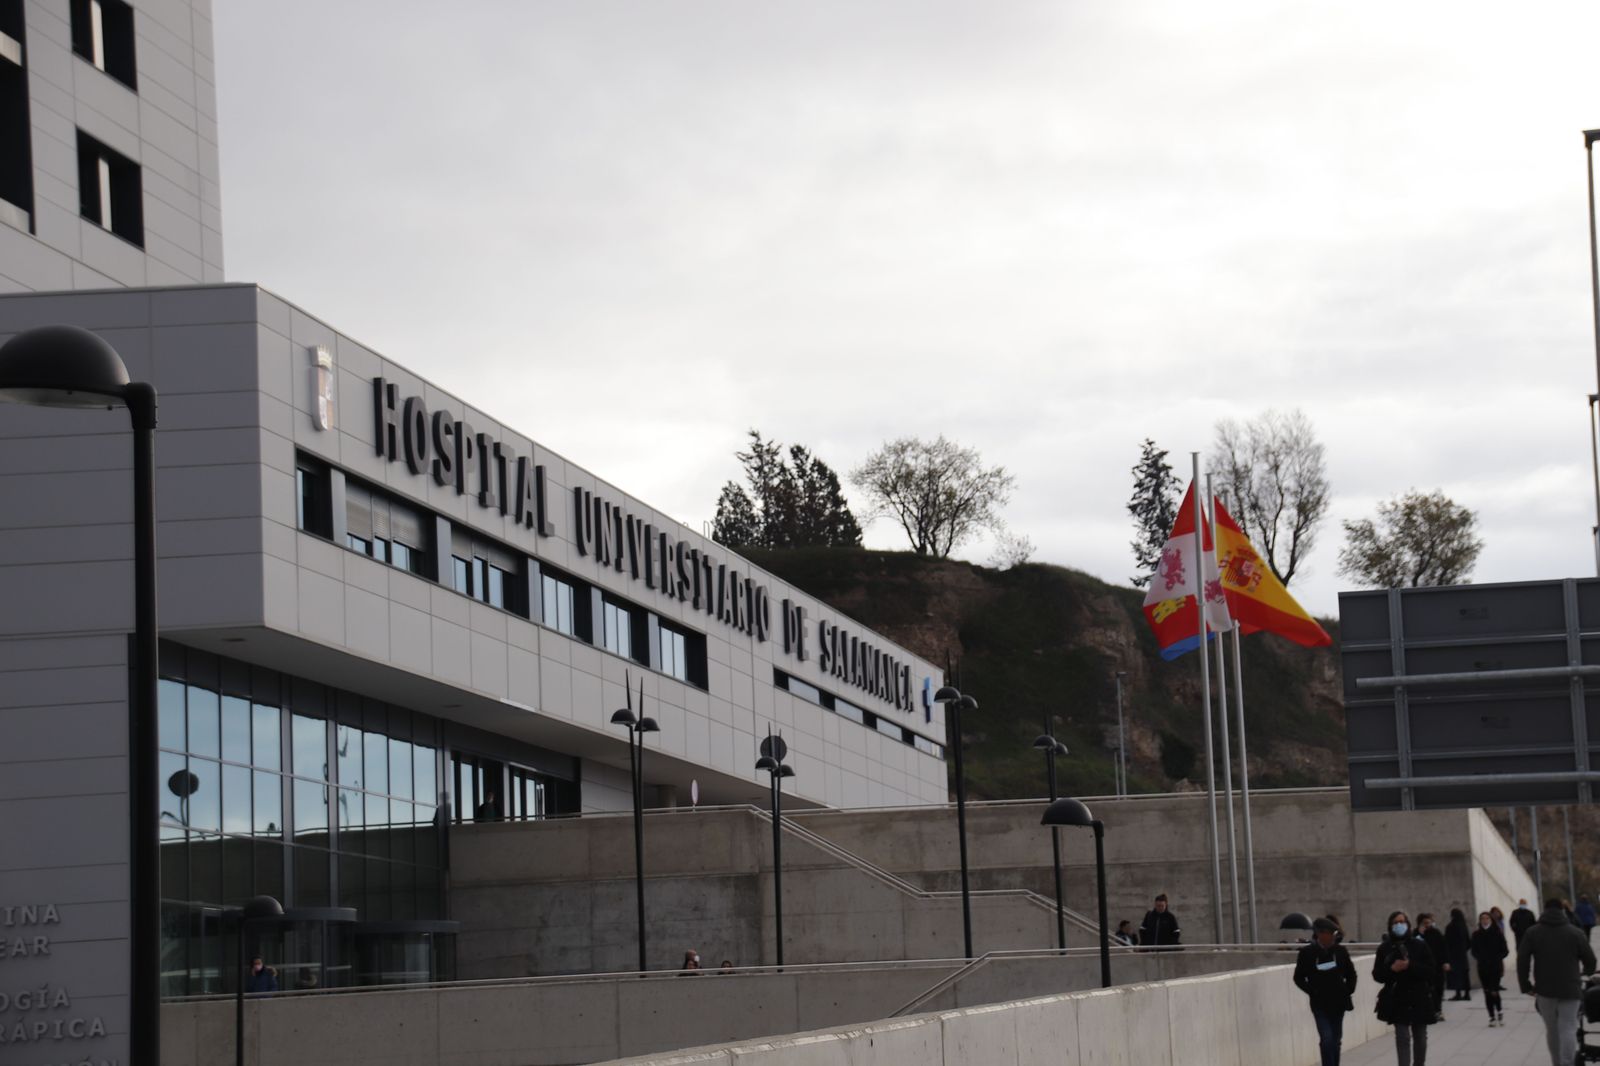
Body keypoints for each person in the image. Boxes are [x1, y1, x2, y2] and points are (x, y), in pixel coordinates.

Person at [1517, 897, 1598, 1066]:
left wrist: (1525, 985)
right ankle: (1567, 1063)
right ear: (1562, 910)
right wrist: (1586, 973)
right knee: (1568, 1028)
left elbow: (1522, 959)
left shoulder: (1533, 932)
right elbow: (1590, 959)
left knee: (1552, 1030)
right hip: (1571, 989)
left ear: (1544, 910)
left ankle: (1557, 1062)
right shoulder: (1575, 932)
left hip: (1545, 990)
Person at [1373, 910, 1435, 1066]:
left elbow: (1431, 971)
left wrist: (1410, 966)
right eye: (1395, 922)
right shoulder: (1385, 948)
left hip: (1419, 996)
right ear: (1390, 926)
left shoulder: (1419, 945)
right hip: (1397, 997)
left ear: (1408, 924)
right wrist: (1392, 969)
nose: (1399, 925)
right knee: (1402, 1037)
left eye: (1402, 922)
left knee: (1420, 1036)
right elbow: (1378, 975)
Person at [1294, 917, 1358, 1066]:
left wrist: (1347, 990)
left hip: (1338, 1003)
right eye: (1329, 933)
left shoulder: (1340, 951)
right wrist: (1312, 991)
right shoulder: (1307, 953)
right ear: (1320, 934)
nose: (1332, 936)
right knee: (1327, 1039)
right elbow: (1298, 978)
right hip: (1319, 1004)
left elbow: (1351, 974)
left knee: (1335, 1040)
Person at [1470, 910, 1509, 1027]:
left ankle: (1499, 1011)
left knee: (1494, 991)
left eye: (1487, 918)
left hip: (1495, 967)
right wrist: (1480, 957)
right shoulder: (1476, 934)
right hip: (1483, 967)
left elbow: (1505, 950)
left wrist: (1497, 958)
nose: (1484, 920)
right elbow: (1473, 950)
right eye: (1482, 918)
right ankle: (1491, 1016)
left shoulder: (1497, 933)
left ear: (1491, 920)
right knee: (1486, 992)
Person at [1416, 913, 1447, 1020]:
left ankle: (1438, 1010)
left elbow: (1443, 948)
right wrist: (1420, 935)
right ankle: (1429, 1011)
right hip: (1422, 967)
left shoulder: (1436, 933)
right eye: (1425, 923)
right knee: (1427, 990)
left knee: (1438, 989)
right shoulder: (1416, 934)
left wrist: (1445, 962)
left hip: (1437, 967)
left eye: (1429, 922)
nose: (1428, 925)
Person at [1444, 908, 1472, 1001]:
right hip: (1462, 955)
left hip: (1453, 955)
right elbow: (1468, 942)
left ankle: (1458, 993)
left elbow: (1447, 942)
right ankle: (1467, 994)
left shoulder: (1450, 926)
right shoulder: (1464, 926)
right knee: (1464, 974)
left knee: (1456, 974)